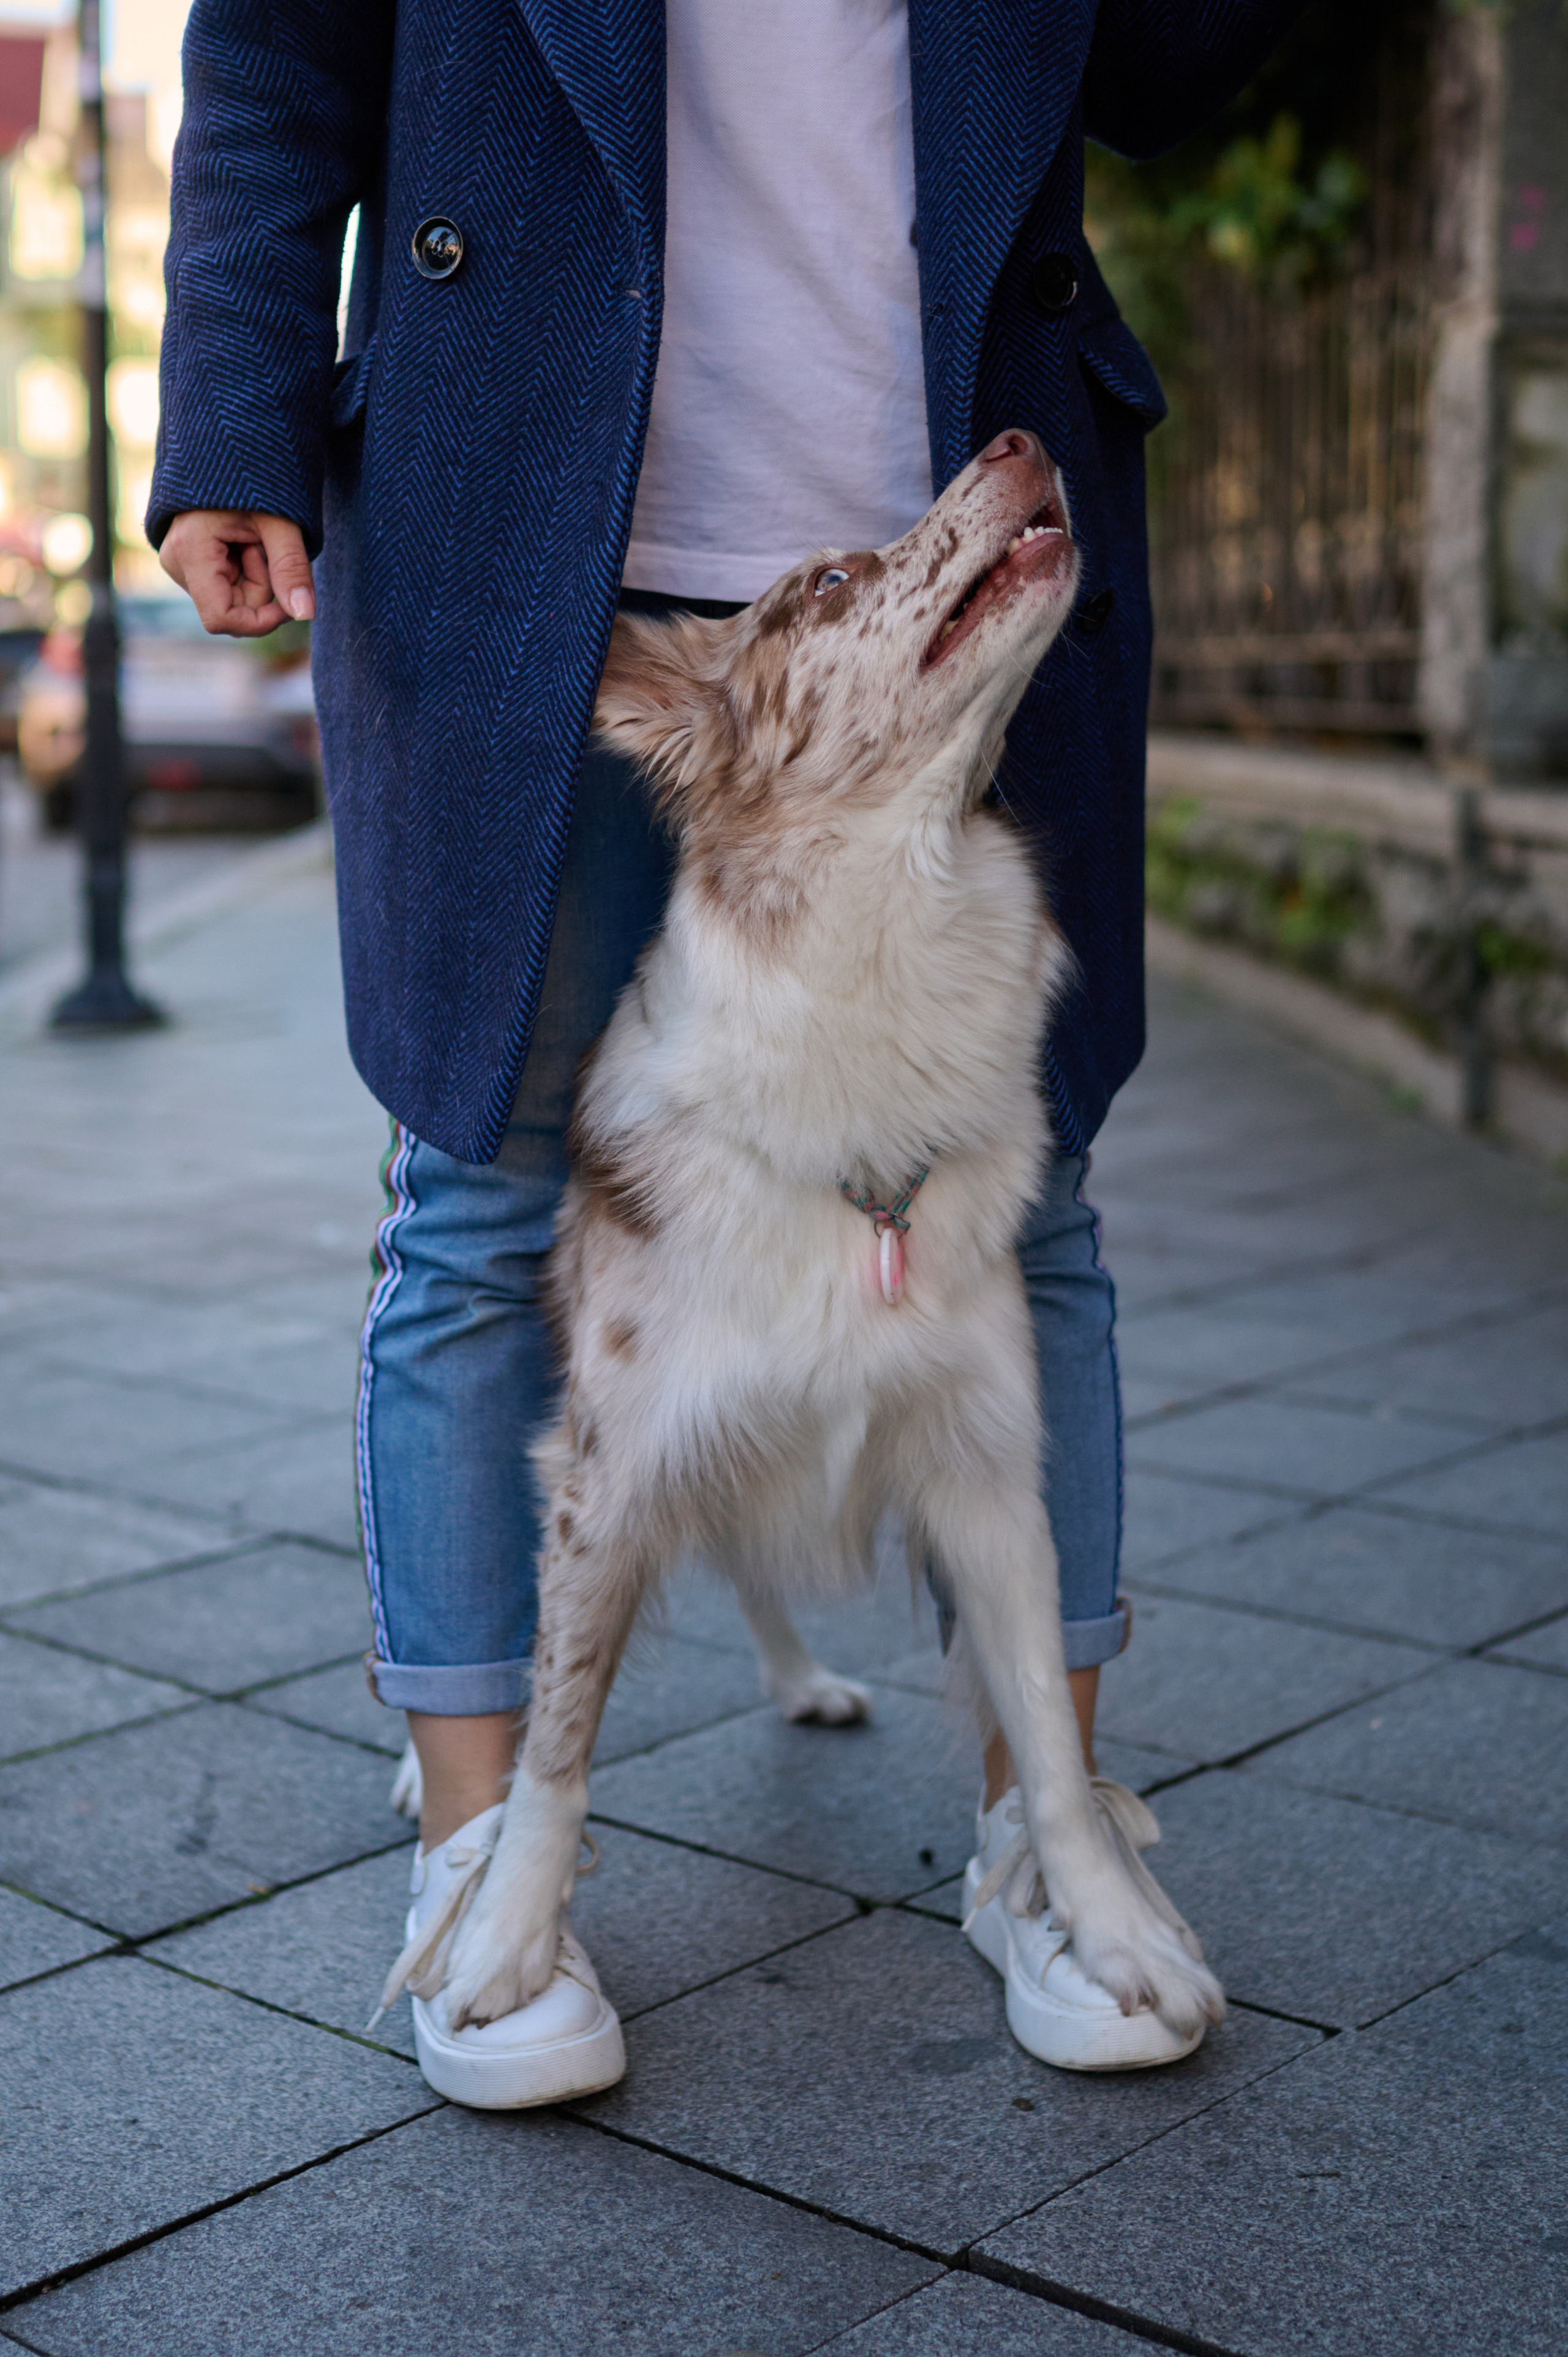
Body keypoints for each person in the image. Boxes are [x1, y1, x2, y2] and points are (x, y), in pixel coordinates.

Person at [153, 0, 1298, 2104]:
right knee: (486, 1193)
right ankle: (485, 1853)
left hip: (949, 537)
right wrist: (231, 399)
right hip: (524, 527)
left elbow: (1176, 73)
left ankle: (1050, 1845)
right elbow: (279, 49)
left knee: (1026, 1207)